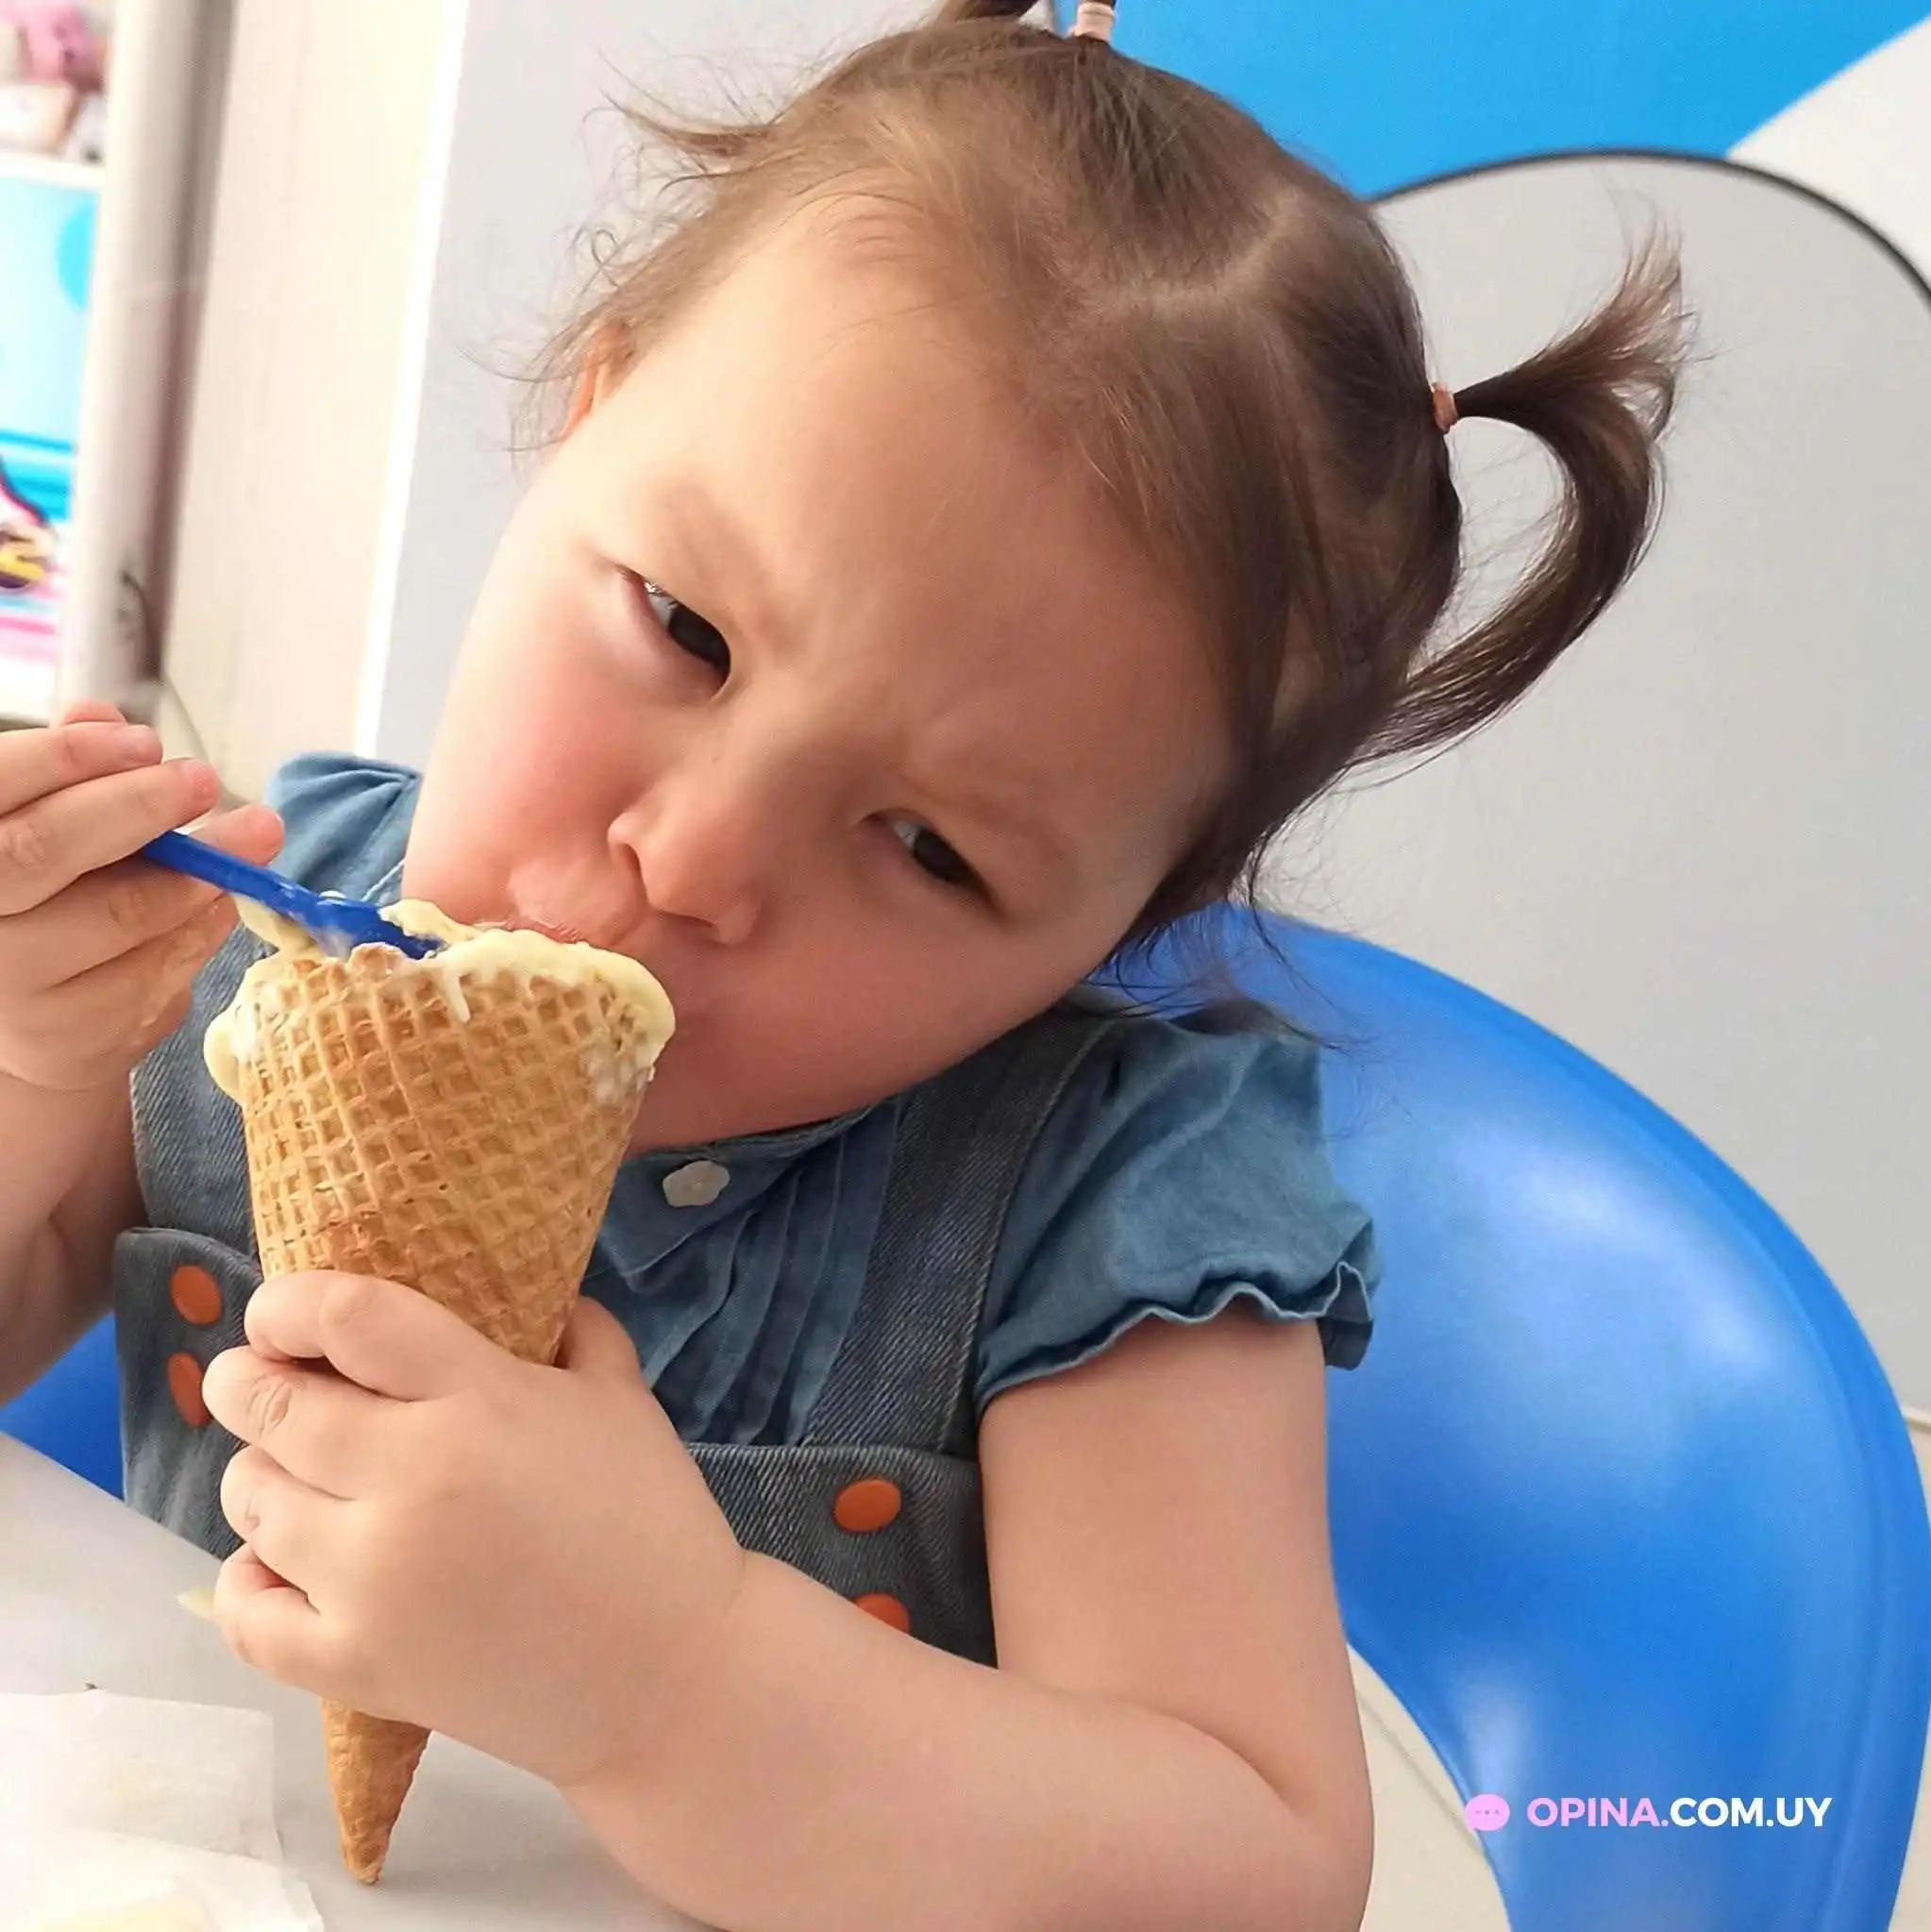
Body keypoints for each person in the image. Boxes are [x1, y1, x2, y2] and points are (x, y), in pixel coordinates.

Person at [0, 2, 1688, 1924]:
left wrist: (672, 1679)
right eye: (686, 629)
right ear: (588, 414)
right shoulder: (261, 931)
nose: (695, 858)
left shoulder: (1115, 1210)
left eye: (932, 848)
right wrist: (32, 1066)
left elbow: (1256, 1874)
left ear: (1123, 919)